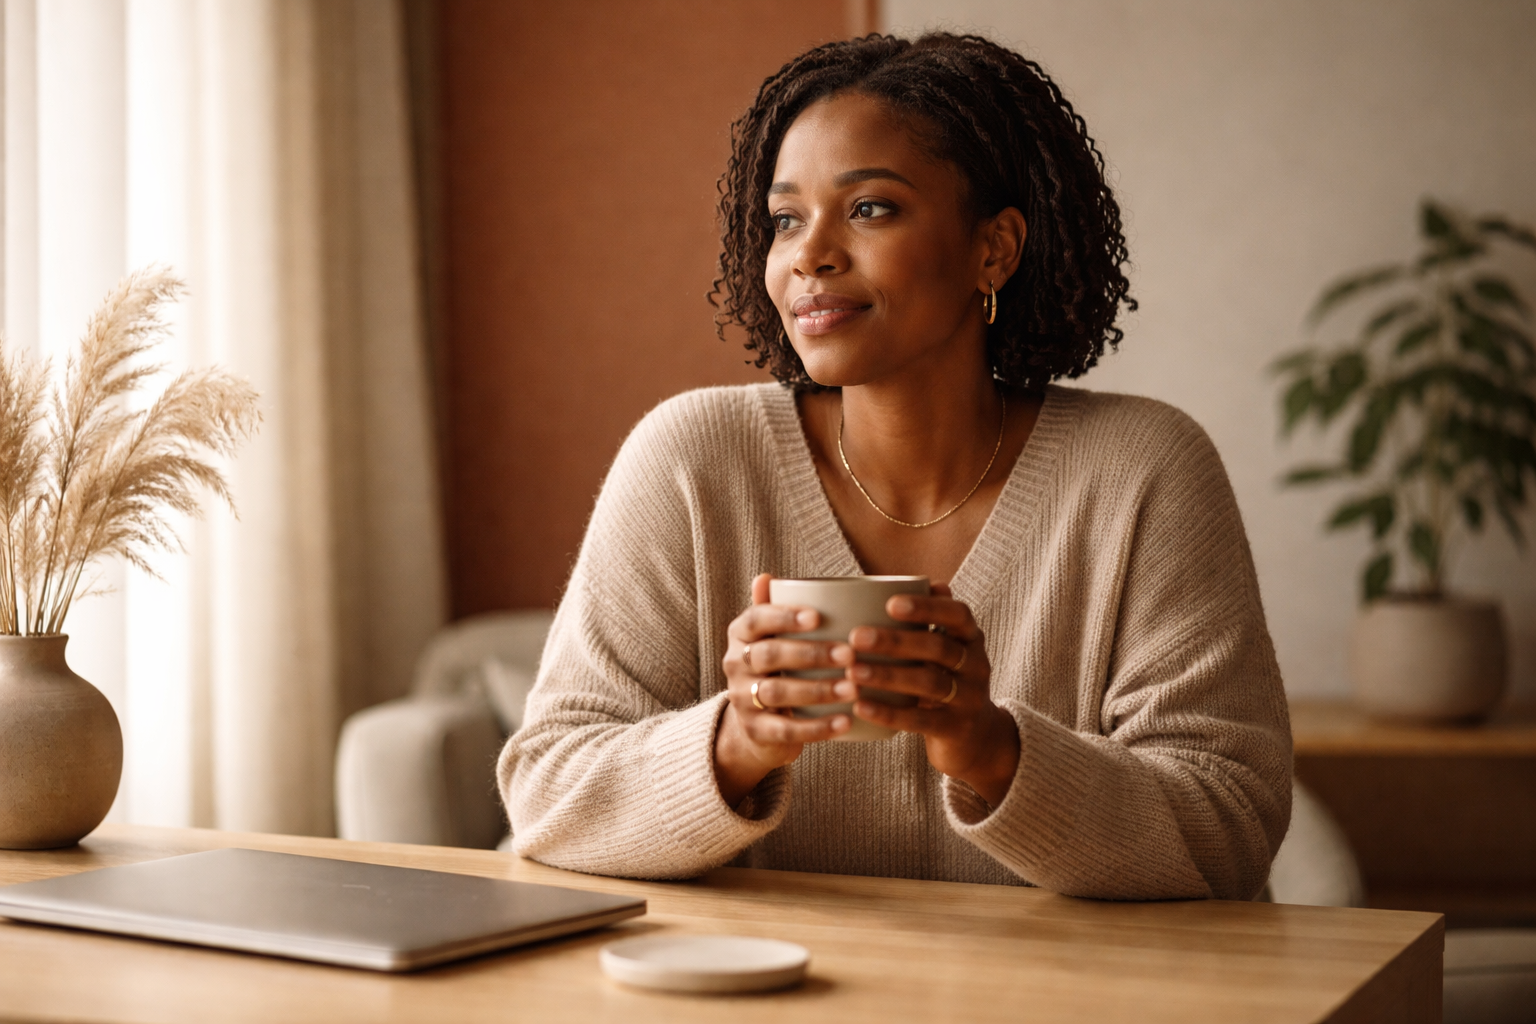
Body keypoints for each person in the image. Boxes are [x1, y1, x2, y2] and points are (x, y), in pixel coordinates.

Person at [498, 33, 1291, 901]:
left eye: (870, 208)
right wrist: (740, 741)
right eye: (786, 218)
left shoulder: (1143, 470)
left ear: (994, 250)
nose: (810, 254)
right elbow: (546, 794)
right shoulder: (691, 459)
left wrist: (990, 749)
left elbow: (1230, 825)